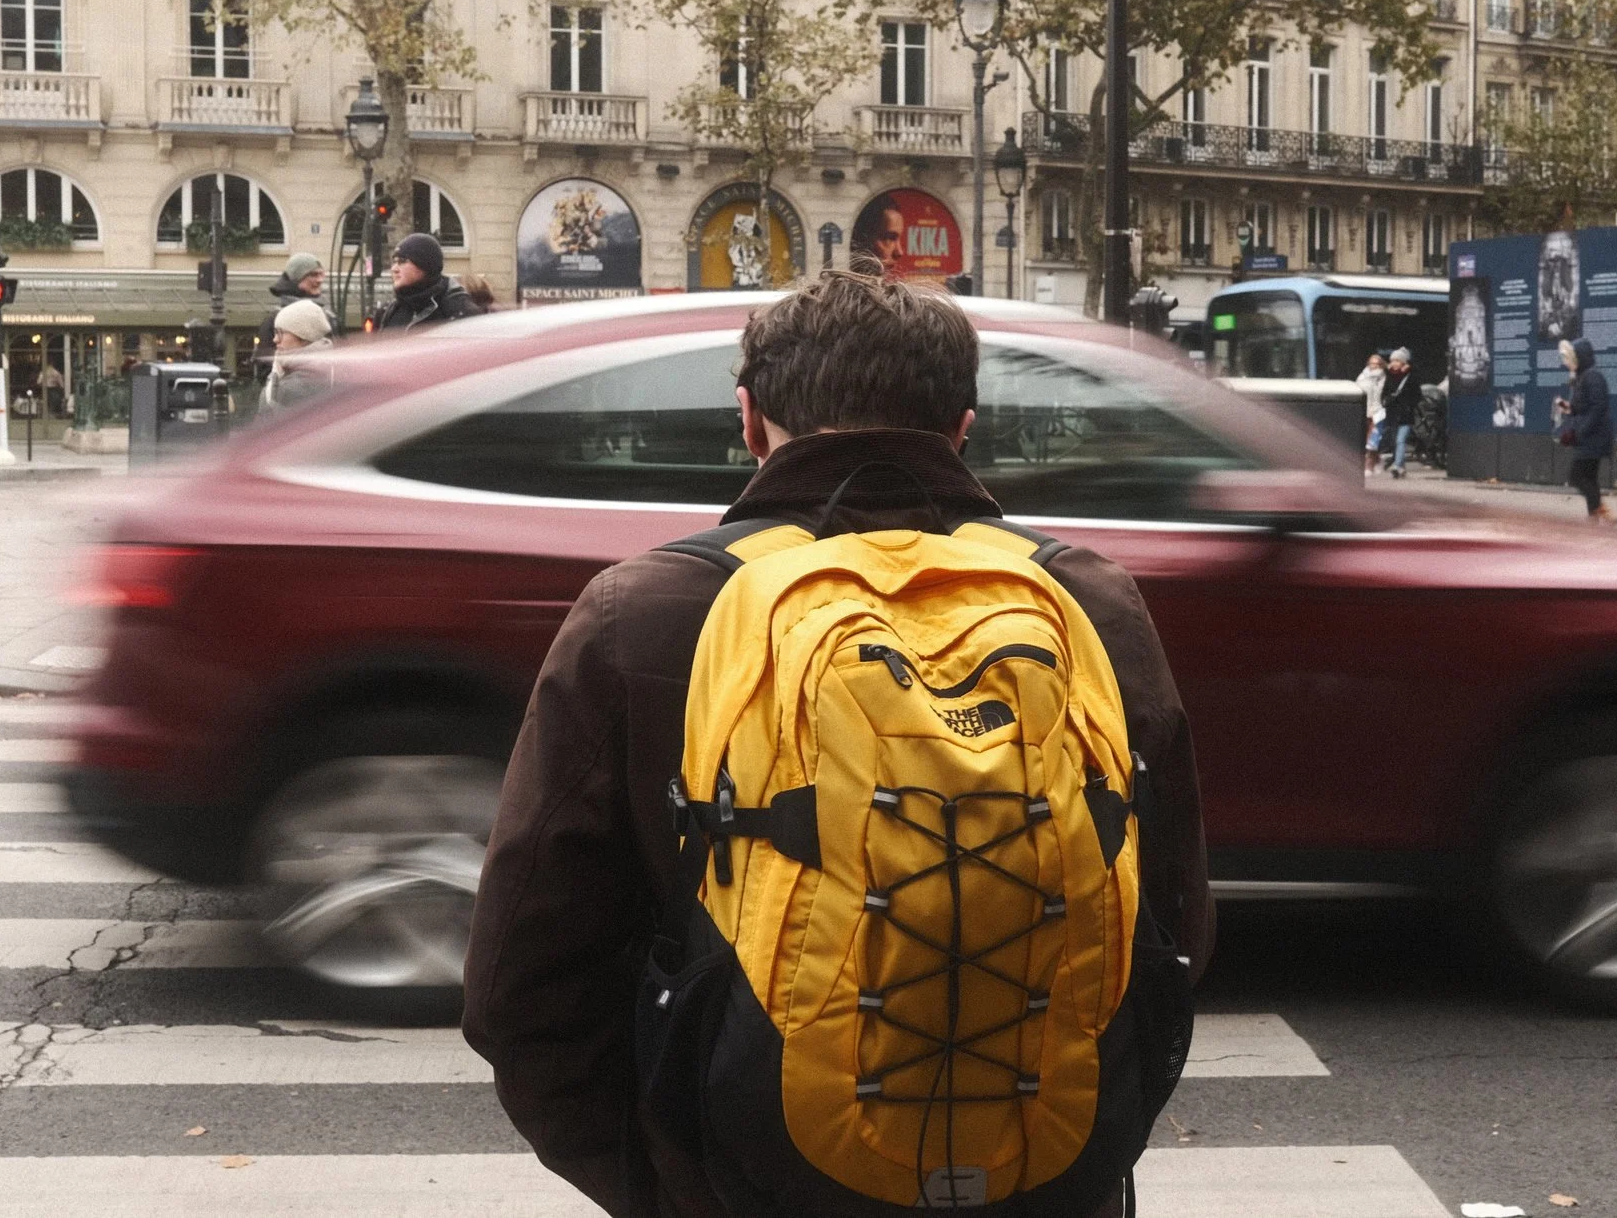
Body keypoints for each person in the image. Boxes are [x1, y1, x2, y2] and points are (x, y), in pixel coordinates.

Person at [464, 264, 1214, 1218]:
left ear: (748, 419)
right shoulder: (1090, 603)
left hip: (753, 1173)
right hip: (1043, 1166)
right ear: (963, 426)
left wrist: (674, 1184)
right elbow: (1175, 928)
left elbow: (521, 985)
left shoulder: (646, 615)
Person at [370, 232, 481, 331]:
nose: (394, 269)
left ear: (425, 266)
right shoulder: (387, 312)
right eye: (394, 262)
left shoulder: (458, 310)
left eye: (402, 261)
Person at [1557, 337, 1615, 524]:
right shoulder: (1584, 377)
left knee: (1577, 476)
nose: (1568, 363)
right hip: (1591, 435)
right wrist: (1569, 408)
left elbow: (1598, 407)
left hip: (1593, 436)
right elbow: (1585, 406)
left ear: (1580, 357)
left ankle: (1600, 510)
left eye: (1571, 358)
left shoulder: (1592, 376)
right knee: (1589, 477)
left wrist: (1580, 431)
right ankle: (1595, 517)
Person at [256, 253, 329, 376]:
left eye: (321, 274)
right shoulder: (273, 320)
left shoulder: (326, 313)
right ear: (297, 277)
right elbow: (265, 369)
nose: (319, 280)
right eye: (313, 275)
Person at [261, 298, 332, 411]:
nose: (275, 339)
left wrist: (274, 377)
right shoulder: (330, 368)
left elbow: (266, 419)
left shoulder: (288, 389)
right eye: (275, 333)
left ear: (304, 337)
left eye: (281, 333)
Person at [1379, 347, 1422, 479]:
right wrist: (1385, 401)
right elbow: (1384, 392)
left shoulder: (1411, 376)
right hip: (1392, 413)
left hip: (1405, 414)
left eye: (1397, 360)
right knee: (1395, 441)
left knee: (1400, 440)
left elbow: (1417, 395)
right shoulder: (1389, 375)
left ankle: (1397, 466)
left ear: (1403, 362)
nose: (1394, 363)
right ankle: (1401, 468)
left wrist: (1409, 405)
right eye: (1393, 360)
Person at [1356, 351, 1387, 475]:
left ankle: (1368, 466)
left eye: (1377, 363)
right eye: (1372, 363)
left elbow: (1382, 393)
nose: (1374, 366)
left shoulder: (1384, 377)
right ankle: (1378, 460)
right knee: (1366, 439)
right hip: (1365, 410)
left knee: (1372, 440)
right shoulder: (1362, 376)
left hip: (1378, 411)